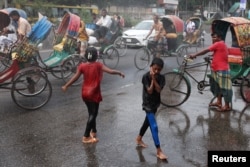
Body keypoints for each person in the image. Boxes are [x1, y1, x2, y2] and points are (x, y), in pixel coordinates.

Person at [62, 47, 125, 144]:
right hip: (93, 92)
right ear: (96, 56)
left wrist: (66, 85)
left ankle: (94, 131)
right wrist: (119, 72)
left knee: (91, 112)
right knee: (93, 114)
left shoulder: (82, 66)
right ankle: (86, 136)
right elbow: (111, 71)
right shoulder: (98, 65)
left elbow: (75, 77)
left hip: (85, 93)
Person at [188, 32, 232, 112]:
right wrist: (211, 57)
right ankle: (219, 102)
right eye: (212, 37)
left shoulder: (219, 44)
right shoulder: (220, 45)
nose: (213, 39)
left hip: (222, 70)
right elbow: (218, 55)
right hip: (216, 69)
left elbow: (206, 50)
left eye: (215, 37)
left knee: (225, 88)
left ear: (219, 38)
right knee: (218, 87)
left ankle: (227, 106)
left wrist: (195, 54)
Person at [136, 57, 167, 160]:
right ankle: (158, 150)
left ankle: (139, 138)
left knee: (147, 122)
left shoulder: (162, 78)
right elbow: (149, 91)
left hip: (155, 103)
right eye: (155, 69)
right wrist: (152, 78)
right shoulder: (145, 77)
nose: (157, 71)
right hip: (147, 104)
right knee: (154, 126)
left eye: (159, 69)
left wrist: (154, 78)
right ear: (151, 67)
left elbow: (158, 90)